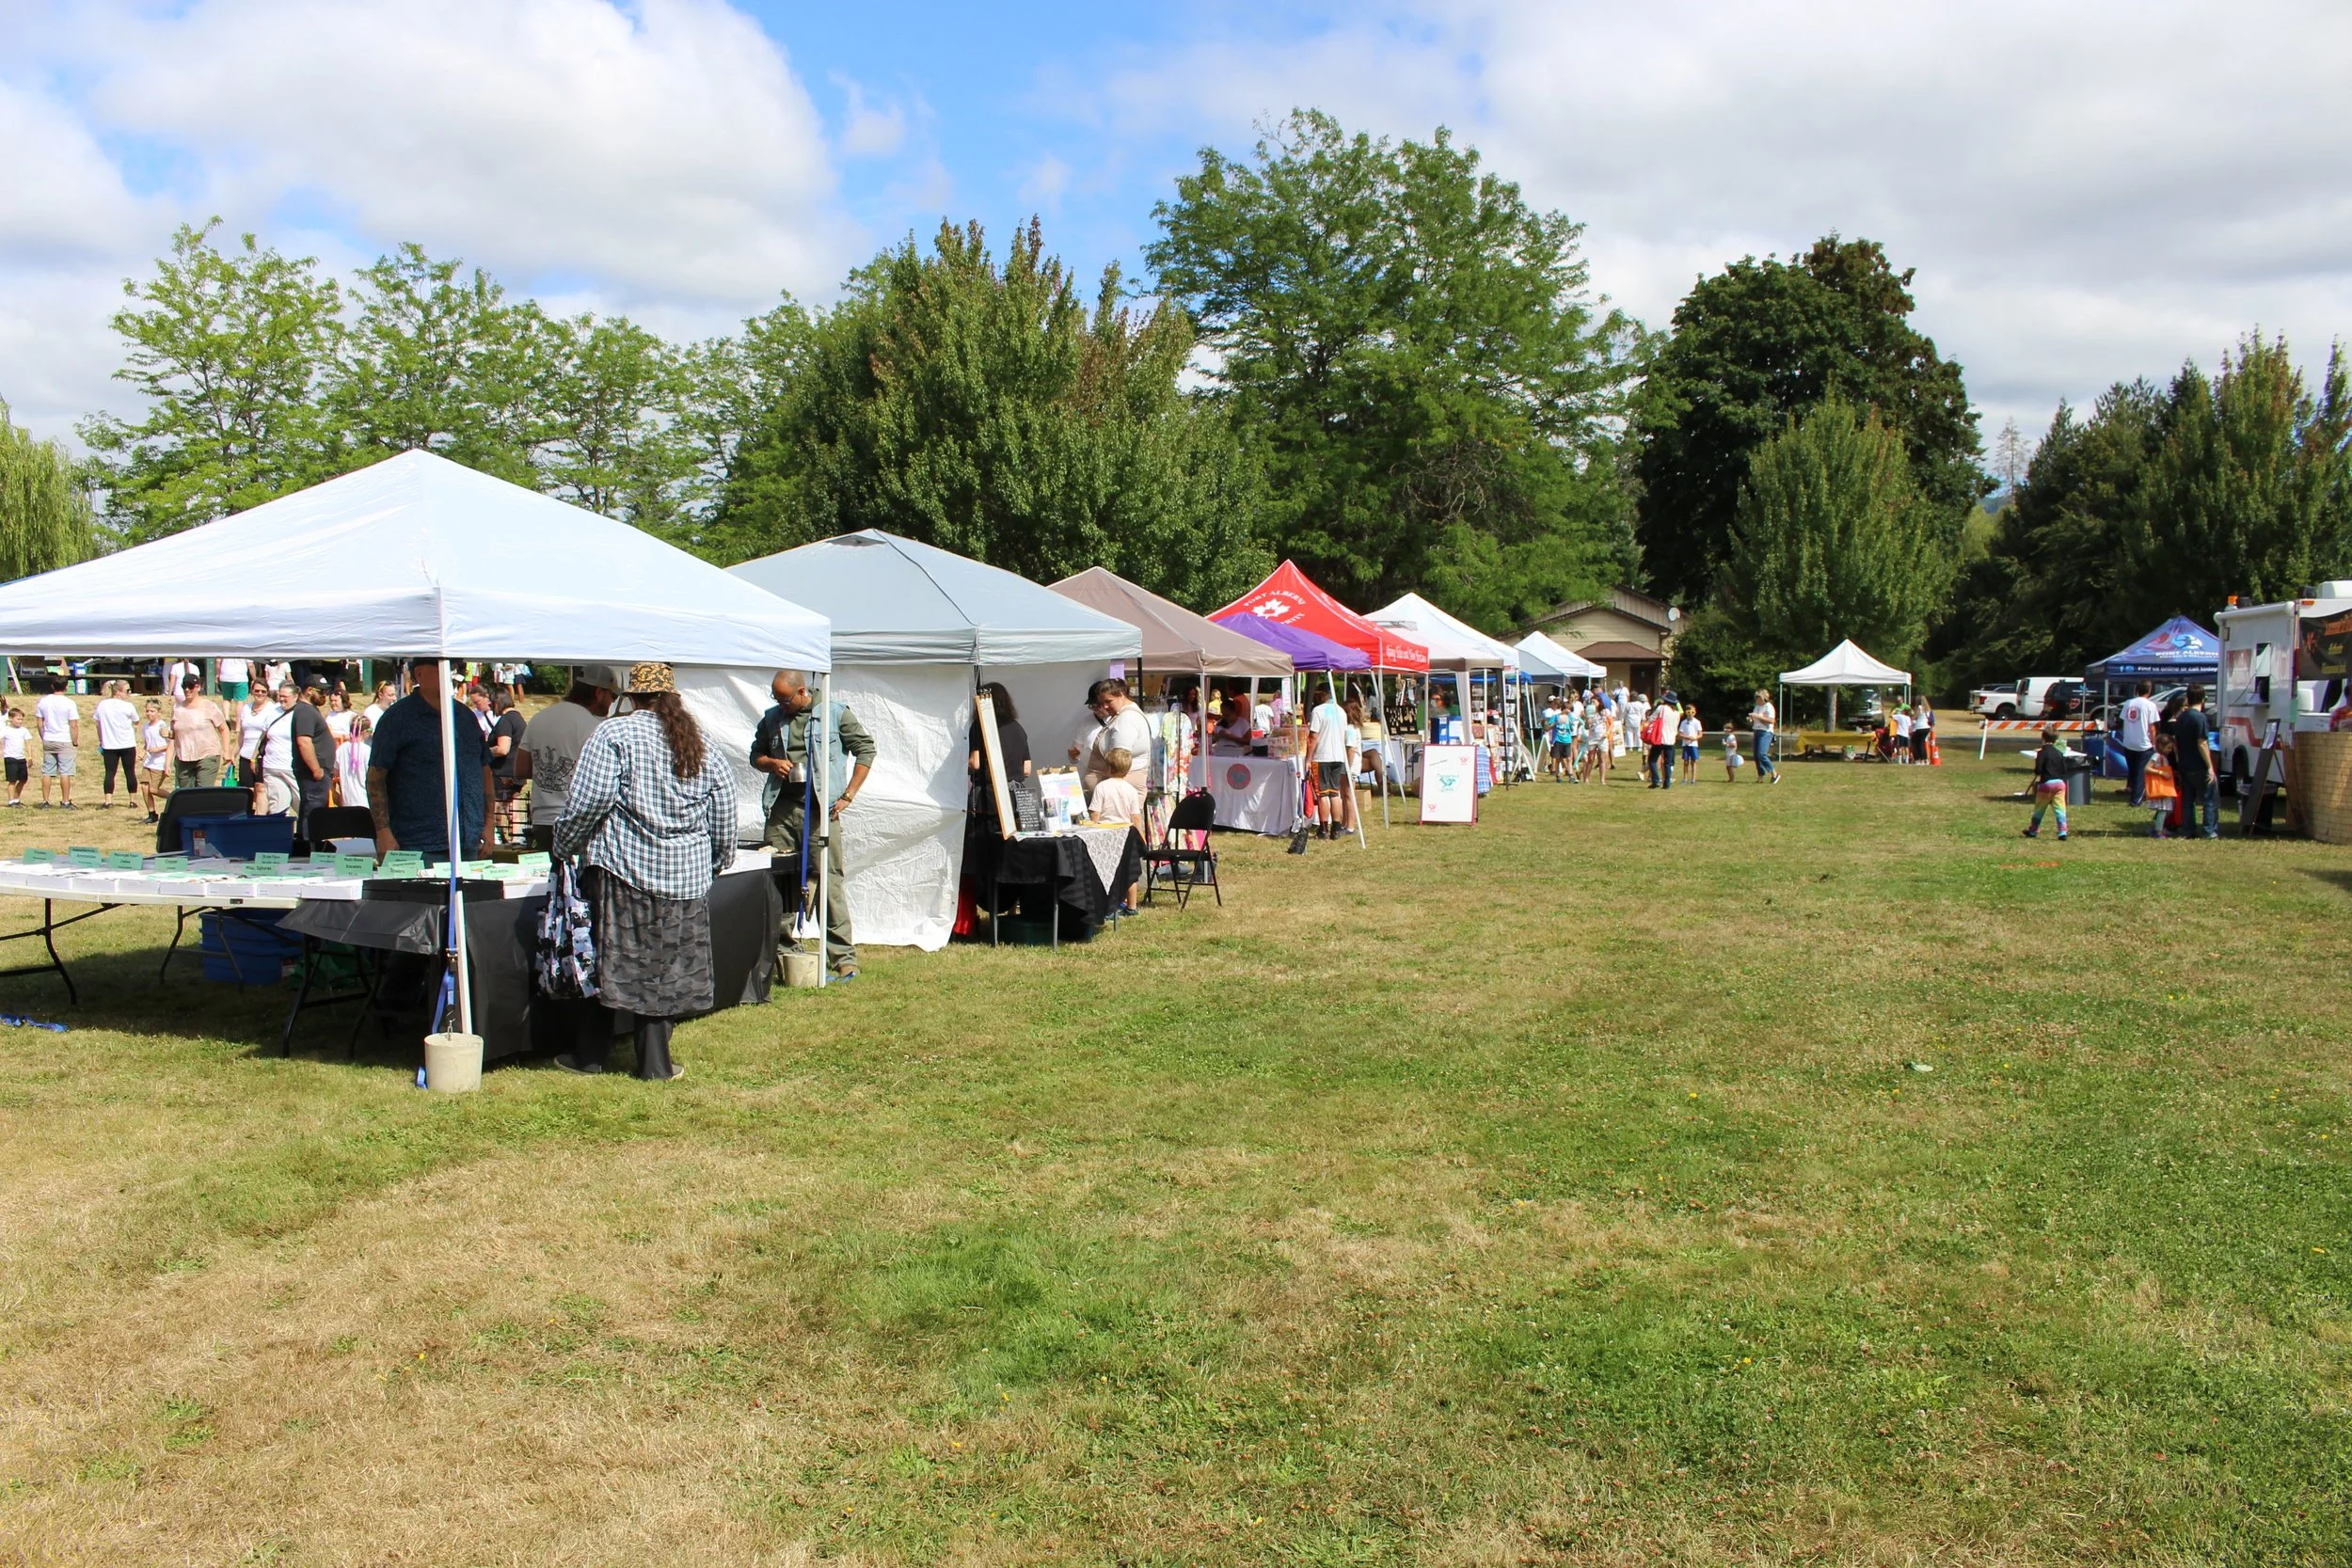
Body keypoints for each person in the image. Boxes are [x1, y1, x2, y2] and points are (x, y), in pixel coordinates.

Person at [552, 662, 736, 1083]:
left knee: (612, 961)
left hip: (624, 870)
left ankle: (593, 1057)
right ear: (674, 696)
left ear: (630, 696)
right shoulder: (701, 741)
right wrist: (715, 861)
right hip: (685, 877)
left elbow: (588, 802)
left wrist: (563, 845)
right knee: (665, 969)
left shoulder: (614, 734)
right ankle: (653, 1063)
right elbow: (724, 810)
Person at [752, 671, 875, 980]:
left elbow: (866, 750)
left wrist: (848, 795)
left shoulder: (836, 714)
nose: (779, 704)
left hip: (821, 811)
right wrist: (771, 763)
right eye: (776, 699)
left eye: (784, 699)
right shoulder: (771, 718)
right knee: (778, 881)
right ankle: (781, 950)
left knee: (829, 882)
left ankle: (843, 958)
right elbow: (756, 755)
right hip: (782, 809)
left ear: (802, 691)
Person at [366, 657, 494, 862]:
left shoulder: (465, 717)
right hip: (416, 842)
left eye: (451, 667)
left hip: (468, 840)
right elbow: (376, 777)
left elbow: (484, 769)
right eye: (440, 667)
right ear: (420, 674)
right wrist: (383, 831)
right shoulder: (397, 718)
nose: (449, 674)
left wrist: (489, 823)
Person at [517, 669, 620, 852]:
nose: (612, 701)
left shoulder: (539, 718)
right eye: (612, 695)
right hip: (576, 822)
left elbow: (521, 769)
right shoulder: (593, 727)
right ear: (598, 692)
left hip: (541, 820)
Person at [966, 681, 1034, 832]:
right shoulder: (1017, 727)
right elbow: (1027, 769)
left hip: (988, 798)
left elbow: (975, 763)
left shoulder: (979, 726)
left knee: (987, 847)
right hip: (1016, 796)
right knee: (1012, 844)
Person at [1073, 678, 1153, 793]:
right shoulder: (1122, 715)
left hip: (1118, 794)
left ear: (1121, 695)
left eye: (1108, 701)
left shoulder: (1127, 718)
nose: (1105, 706)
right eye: (1101, 703)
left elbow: (1119, 760)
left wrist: (1106, 791)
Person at [286, 681, 337, 835]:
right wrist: (316, 770)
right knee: (313, 814)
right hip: (313, 774)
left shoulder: (307, 710)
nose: (324, 696)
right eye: (321, 692)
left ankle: (307, 847)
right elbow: (304, 742)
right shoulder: (306, 711)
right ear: (309, 691)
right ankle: (309, 850)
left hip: (317, 772)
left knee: (312, 812)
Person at [2171, 685, 2219, 839]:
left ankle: (2188, 829)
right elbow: (2202, 743)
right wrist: (2210, 766)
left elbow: (2175, 741)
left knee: (2188, 799)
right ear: (2203, 699)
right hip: (2199, 764)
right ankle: (2208, 830)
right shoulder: (2200, 718)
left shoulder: (2181, 717)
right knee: (2209, 798)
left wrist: (2178, 759)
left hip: (2185, 763)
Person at [252, 682, 304, 818]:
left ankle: (307, 836)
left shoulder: (303, 713)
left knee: (303, 805)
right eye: (280, 696)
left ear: (295, 697)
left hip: (292, 767)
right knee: (277, 808)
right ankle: (281, 836)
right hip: (272, 766)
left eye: (285, 696)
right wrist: (254, 758)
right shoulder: (273, 711)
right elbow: (263, 737)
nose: (282, 699)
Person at [1305, 681, 1348, 839]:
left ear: (1323, 694)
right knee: (1334, 793)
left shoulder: (1318, 711)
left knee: (1323, 794)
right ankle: (1336, 829)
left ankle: (1323, 829)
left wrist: (1308, 759)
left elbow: (1313, 737)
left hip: (1322, 756)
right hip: (1338, 756)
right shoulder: (1341, 712)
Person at [169, 676, 230, 790]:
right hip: (184, 757)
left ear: (198, 687)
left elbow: (224, 729)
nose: (187, 689)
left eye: (190, 686)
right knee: (186, 795)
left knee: (203, 792)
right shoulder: (177, 708)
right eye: (184, 686)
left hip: (207, 755)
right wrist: (168, 735)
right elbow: (175, 735)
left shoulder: (209, 706)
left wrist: (226, 751)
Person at [486, 690, 527, 842]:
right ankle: (515, 841)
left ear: (498, 702)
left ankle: (504, 842)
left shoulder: (505, 720)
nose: (491, 707)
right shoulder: (519, 719)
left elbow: (503, 748)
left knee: (498, 811)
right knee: (513, 811)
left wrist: (485, 750)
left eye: (492, 703)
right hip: (517, 772)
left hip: (503, 773)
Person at [93, 680, 140, 809]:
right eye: (127, 691)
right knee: (130, 772)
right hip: (127, 744)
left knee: (110, 772)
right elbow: (136, 721)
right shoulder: (128, 706)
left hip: (109, 744)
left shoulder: (102, 705)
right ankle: (133, 800)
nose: (129, 693)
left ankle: (108, 800)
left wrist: (101, 740)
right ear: (118, 692)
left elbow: (97, 723)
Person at [32, 680, 78, 808]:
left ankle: (45, 800)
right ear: (66, 687)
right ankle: (65, 801)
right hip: (64, 739)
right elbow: (73, 725)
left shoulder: (43, 701)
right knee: (65, 771)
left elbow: (40, 722)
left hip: (49, 739)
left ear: (52, 686)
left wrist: (43, 736)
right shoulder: (69, 703)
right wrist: (75, 740)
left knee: (47, 771)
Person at [2023, 726, 2072, 841]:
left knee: (2040, 808)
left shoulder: (2042, 753)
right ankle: (2062, 831)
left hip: (2047, 783)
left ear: (2043, 738)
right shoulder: (2059, 753)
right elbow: (2064, 770)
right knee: (2060, 809)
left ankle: (2033, 830)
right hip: (2060, 784)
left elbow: (2038, 770)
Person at [2117, 680, 2160, 806]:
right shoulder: (2150, 705)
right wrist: (2154, 742)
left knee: (2133, 771)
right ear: (2149, 690)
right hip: (2144, 743)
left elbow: (2123, 721)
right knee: (2141, 772)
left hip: (2129, 742)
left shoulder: (2128, 703)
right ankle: (2136, 799)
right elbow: (2152, 727)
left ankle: (2135, 793)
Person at [235, 687, 276, 789]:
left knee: (261, 789)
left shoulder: (272, 709)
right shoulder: (246, 708)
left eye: (263, 691)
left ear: (267, 693)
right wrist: (233, 754)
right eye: (257, 691)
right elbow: (242, 735)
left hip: (262, 756)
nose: (260, 693)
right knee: (247, 791)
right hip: (245, 756)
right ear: (252, 691)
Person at [138, 699, 170, 821]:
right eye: (147, 711)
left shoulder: (162, 726)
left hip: (160, 762)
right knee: (144, 787)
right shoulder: (146, 726)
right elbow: (147, 744)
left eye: (152, 711)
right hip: (149, 762)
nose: (149, 714)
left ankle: (173, 797)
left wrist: (157, 749)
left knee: (153, 789)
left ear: (158, 712)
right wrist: (143, 752)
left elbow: (170, 745)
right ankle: (152, 814)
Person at [337, 712, 373, 812]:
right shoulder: (367, 751)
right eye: (370, 730)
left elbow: (335, 771)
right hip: (365, 802)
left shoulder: (342, 748)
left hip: (348, 801)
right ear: (364, 732)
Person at [2142, 744, 2179, 838]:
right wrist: (2161, 772)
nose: (2170, 750)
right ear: (2161, 746)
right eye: (2168, 747)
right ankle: (2158, 831)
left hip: (2166, 787)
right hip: (2161, 787)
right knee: (2163, 809)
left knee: (2169, 809)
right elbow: (2147, 768)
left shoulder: (2164, 757)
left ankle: (2157, 827)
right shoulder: (2157, 756)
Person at [1646, 690, 1679, 789]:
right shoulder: (1677, 713)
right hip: (1671, 740)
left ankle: (1655, 781)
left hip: (1660, 738)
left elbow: (1651, 719)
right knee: (1668, 763)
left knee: (1652, 760)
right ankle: (1667, 783)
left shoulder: (1662, 708)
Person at [1747, 689, 1780, 784]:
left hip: (1765, 732)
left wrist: (1757, 717)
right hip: (1757, 730)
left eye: (1758, 697)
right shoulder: (1757, 707)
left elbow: (1771, 721)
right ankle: (1760, 776)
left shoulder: (1769, 707)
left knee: (1762, 754)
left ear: (1763, 698)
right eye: (1756, 697)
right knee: (1756, 755)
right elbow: (1756, 718)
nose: (1756, 699)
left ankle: (1774, 773)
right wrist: (1751, 718)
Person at [0, 706, 27, 806]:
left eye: (21, 719)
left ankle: (16, 799)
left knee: (23, 779)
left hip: (21, 758)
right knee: (12, 780)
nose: (20, 721)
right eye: (18, 719)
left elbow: (28, 743)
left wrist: (30, 757)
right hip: (10, 758)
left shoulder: (23, 730)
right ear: (11, 719)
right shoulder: (5, 730)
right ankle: (11, 800)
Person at [1678, 705, 1703, 778]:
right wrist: (1686, 737)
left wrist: (1694, 738)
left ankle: (1693, 778)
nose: (1690, 714)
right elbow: (1680, 733)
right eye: (1688, 712)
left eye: (1692, 712)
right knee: (1686, 761)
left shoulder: (1697, 722)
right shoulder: (1683, 722)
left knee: (1693, 761)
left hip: (1694, 744)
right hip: (1685, 744)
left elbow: (1700, 734)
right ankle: (1685, 778)